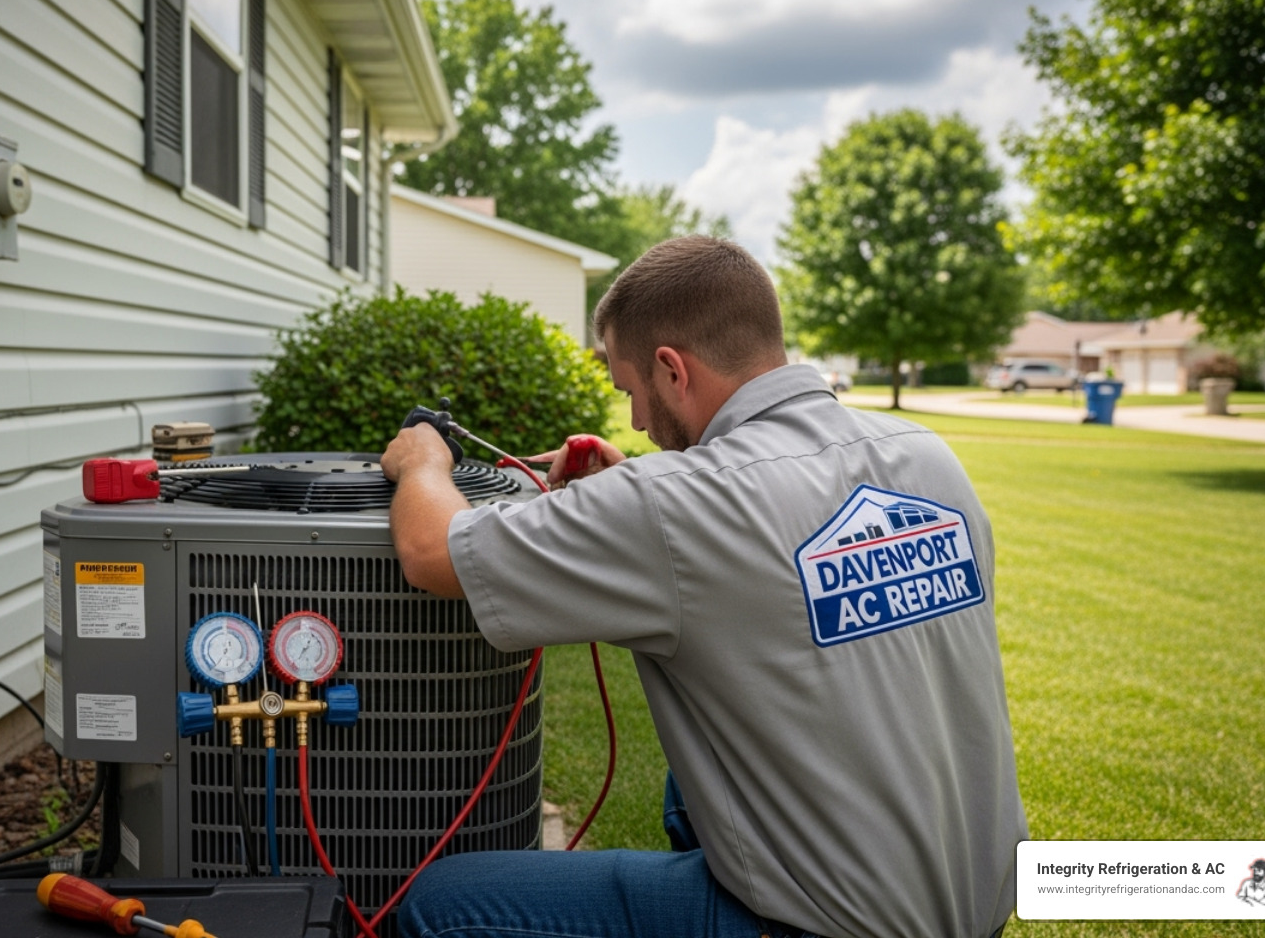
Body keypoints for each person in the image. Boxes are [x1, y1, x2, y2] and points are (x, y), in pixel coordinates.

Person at [381, 236, 1026, 938]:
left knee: (439, 906)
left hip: (827, 926)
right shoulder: (927, 456)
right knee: (688, 788)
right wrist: (627, 495)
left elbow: (429, 553)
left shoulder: (671, 506)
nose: (633, 420)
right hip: (976, 904)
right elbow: (764, 564)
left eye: (631, 392)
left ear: (671, 369)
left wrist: (423, 464)